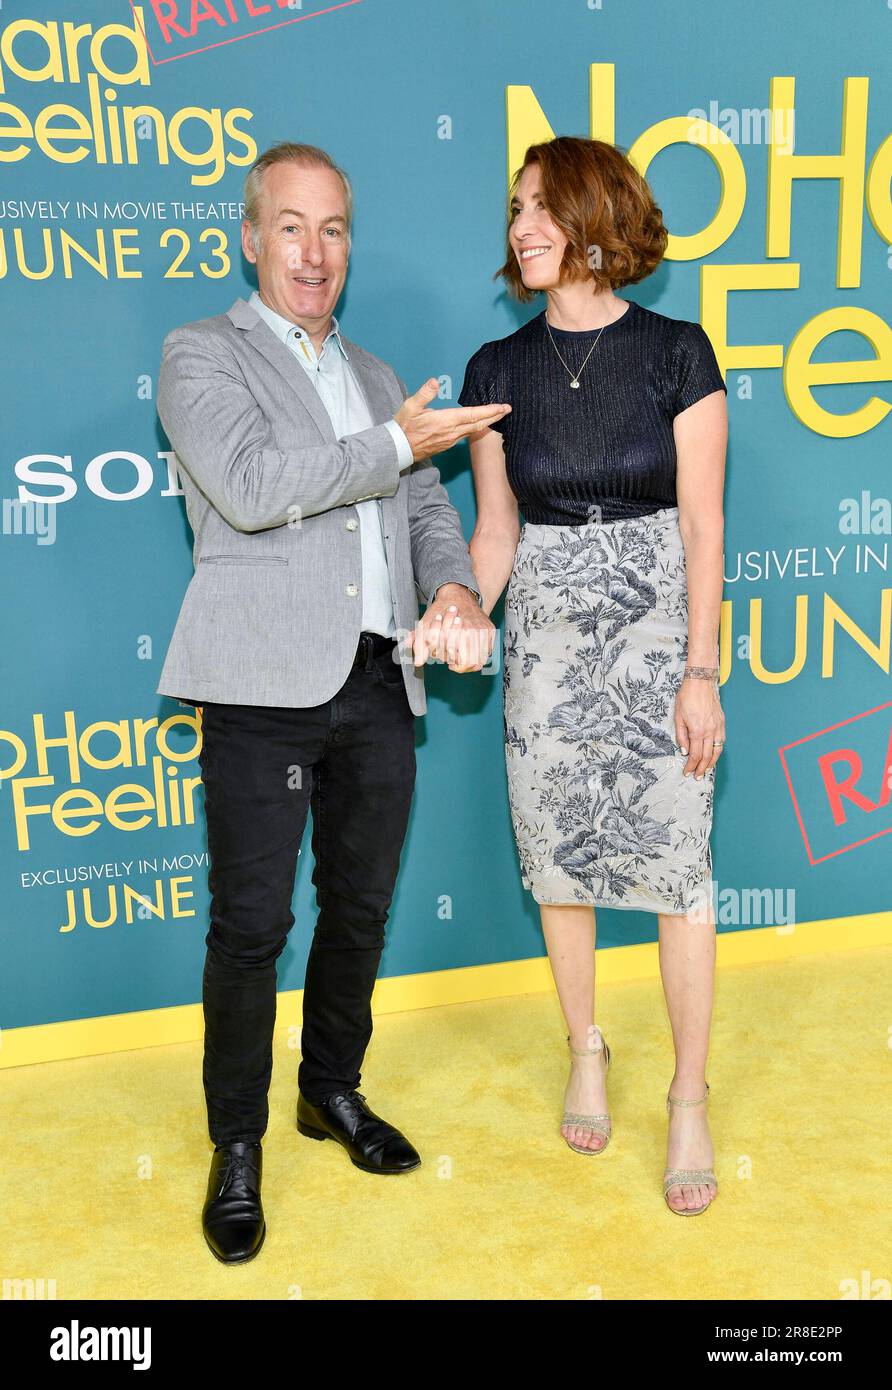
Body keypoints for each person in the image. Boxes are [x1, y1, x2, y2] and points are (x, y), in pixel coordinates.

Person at [156, 141, 504, 1263]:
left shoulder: (375, 373)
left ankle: (331, 1092)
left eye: (336, 229)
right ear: (251, 237)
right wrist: (400, 441)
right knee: (253, 927)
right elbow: (255, 491)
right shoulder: (197, 355)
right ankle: (238, 1144)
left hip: (374, 678)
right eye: (293, 227)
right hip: (260, 685)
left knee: (360, 904)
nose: (316, 252)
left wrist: (450, 580)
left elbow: (421, 515)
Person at [458, 136, 728, 1216]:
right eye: (516, 206)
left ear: (595, 217)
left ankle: (691, 1096)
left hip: (663, 633)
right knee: (559, 860)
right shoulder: (495, 371)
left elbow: (704, 524)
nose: (521, 226)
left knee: (679, 872)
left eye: (540, 207)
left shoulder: (676, 352)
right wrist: (461, 605)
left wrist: (700, 671)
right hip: (546, 649)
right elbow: (492, 533)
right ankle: (586, 1046)